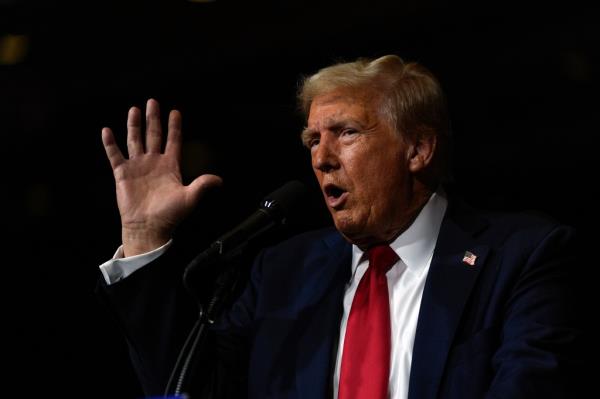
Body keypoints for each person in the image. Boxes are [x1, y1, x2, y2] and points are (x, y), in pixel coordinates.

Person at [98, 55, 580, 398]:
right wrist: (144, 236)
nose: (322, 159)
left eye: (347, 133)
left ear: (417, 150)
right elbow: (188, 390)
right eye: (312, 139)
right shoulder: (281, 273)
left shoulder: (523, 256)